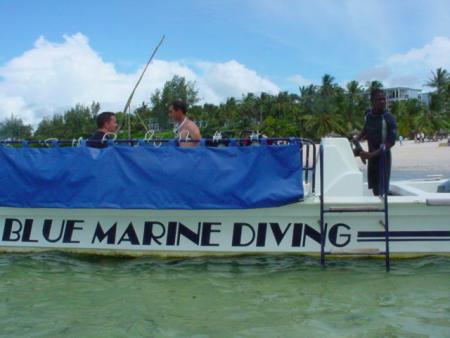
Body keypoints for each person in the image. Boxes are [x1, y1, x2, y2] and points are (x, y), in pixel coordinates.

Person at [358, 89, 397, 196]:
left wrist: (371, 155)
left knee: (382, 188)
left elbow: (390, 143)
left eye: (384, 99)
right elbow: (366, 128)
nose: (382, 102)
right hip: (371, 157)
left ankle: (388, 204)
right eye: (379, 99)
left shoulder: (389, 118)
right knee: (374, 187)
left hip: (383, 157)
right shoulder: (368, 115)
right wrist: (358, 139)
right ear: (372, 101)